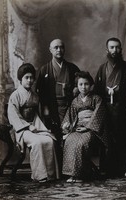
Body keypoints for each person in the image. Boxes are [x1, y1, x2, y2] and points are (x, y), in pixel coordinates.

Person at [94, 37, 126, 177]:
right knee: (107, 138)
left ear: (121, 49)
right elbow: (97, 90)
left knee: (124, 138)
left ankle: (124, 167)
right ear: (107, 49)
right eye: (112, 47)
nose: (115, 50)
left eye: (117, 47)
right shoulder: (102, 68)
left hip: (122, 107)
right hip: (107, 108)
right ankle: (105, 168)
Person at [8, 63, 59, 183]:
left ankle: (51, 175)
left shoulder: (35, 96)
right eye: (26, 77)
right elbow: (13, 116)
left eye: (31, 77)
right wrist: (27, 126)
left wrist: (38, 125)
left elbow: (38, 113)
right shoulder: (15, 95)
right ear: (20, 79)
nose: (30, 80)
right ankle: (39, 175)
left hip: (35, 125)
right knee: (37, 142)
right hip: (21, 129)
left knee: (49, 140)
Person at [36, 39, 80, 174]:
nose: (59, 50)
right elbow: (40, 91)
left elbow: (81, 81)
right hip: (52, 107)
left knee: (69, 136)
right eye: (56, 47)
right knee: (55, 137)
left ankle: (70, 168)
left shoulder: (72, 68)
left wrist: (76, 88)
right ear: (50, 50)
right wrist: (44, 107)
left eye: (61, 47)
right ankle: (57, 169)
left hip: (69, 106)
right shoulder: (45, 69)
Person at [62, 71, 108, 183]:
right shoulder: (75, 101)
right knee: (69, 140)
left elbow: (99, 115)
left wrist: (87, 127)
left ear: (91, 85)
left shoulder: (97, 99)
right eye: (80, 84)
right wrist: (67, 125)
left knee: (82, 143)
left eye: (86, 84)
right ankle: (72, 174)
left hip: (92, 130)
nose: (83, 87)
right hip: (78, 128)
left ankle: (80, 175)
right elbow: (70, 117)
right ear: (77, 86)